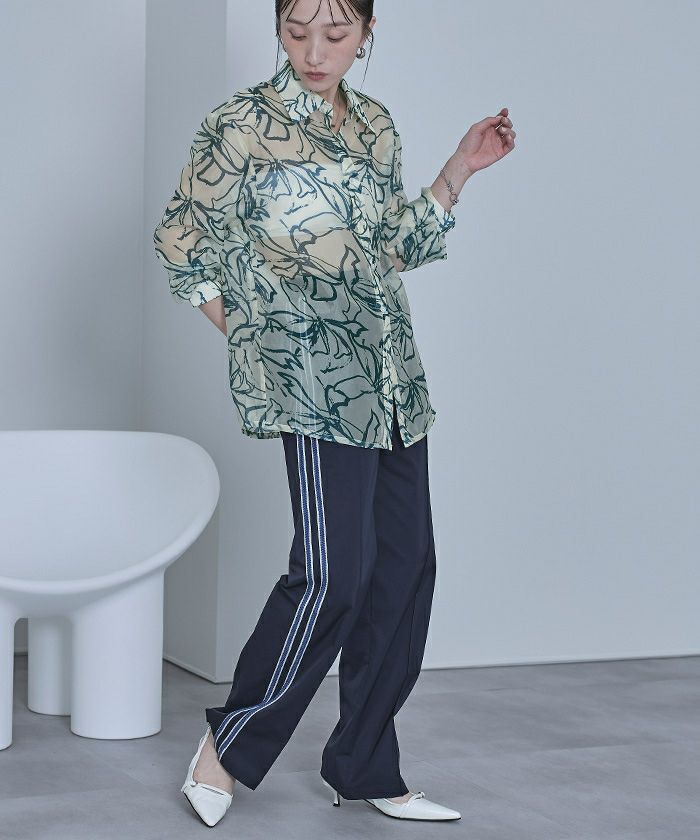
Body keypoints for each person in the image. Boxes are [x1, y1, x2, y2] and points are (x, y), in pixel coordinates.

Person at [153, 0, 515, 827]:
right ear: (278, 28)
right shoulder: (241, 124)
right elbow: (181, 241)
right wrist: (254, 335)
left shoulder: (376, 125)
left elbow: (389, 249)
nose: (314, 51)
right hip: (314, 385)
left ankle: (363, 765)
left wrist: (458, 170)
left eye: (336, 34)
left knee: (404, 569)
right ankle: (227, 747)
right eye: (296, 32)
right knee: (330, 576)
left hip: (391, 377)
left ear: (366, 34)